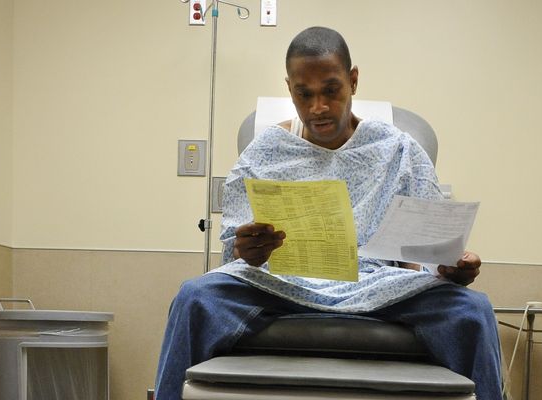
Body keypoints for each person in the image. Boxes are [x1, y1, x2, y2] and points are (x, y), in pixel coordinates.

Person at [154, 26, 503, 400]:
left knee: (474, 310)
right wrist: (246, 251)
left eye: (330, 90)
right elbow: (232, 251)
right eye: (304, 94)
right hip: (280, 285)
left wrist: (452, 268)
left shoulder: (398, 150)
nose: (317, 107)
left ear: (353, 81)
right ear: (290, 89)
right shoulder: (266, 151)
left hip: (379, 285)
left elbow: (428, 253)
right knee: (193, 297)